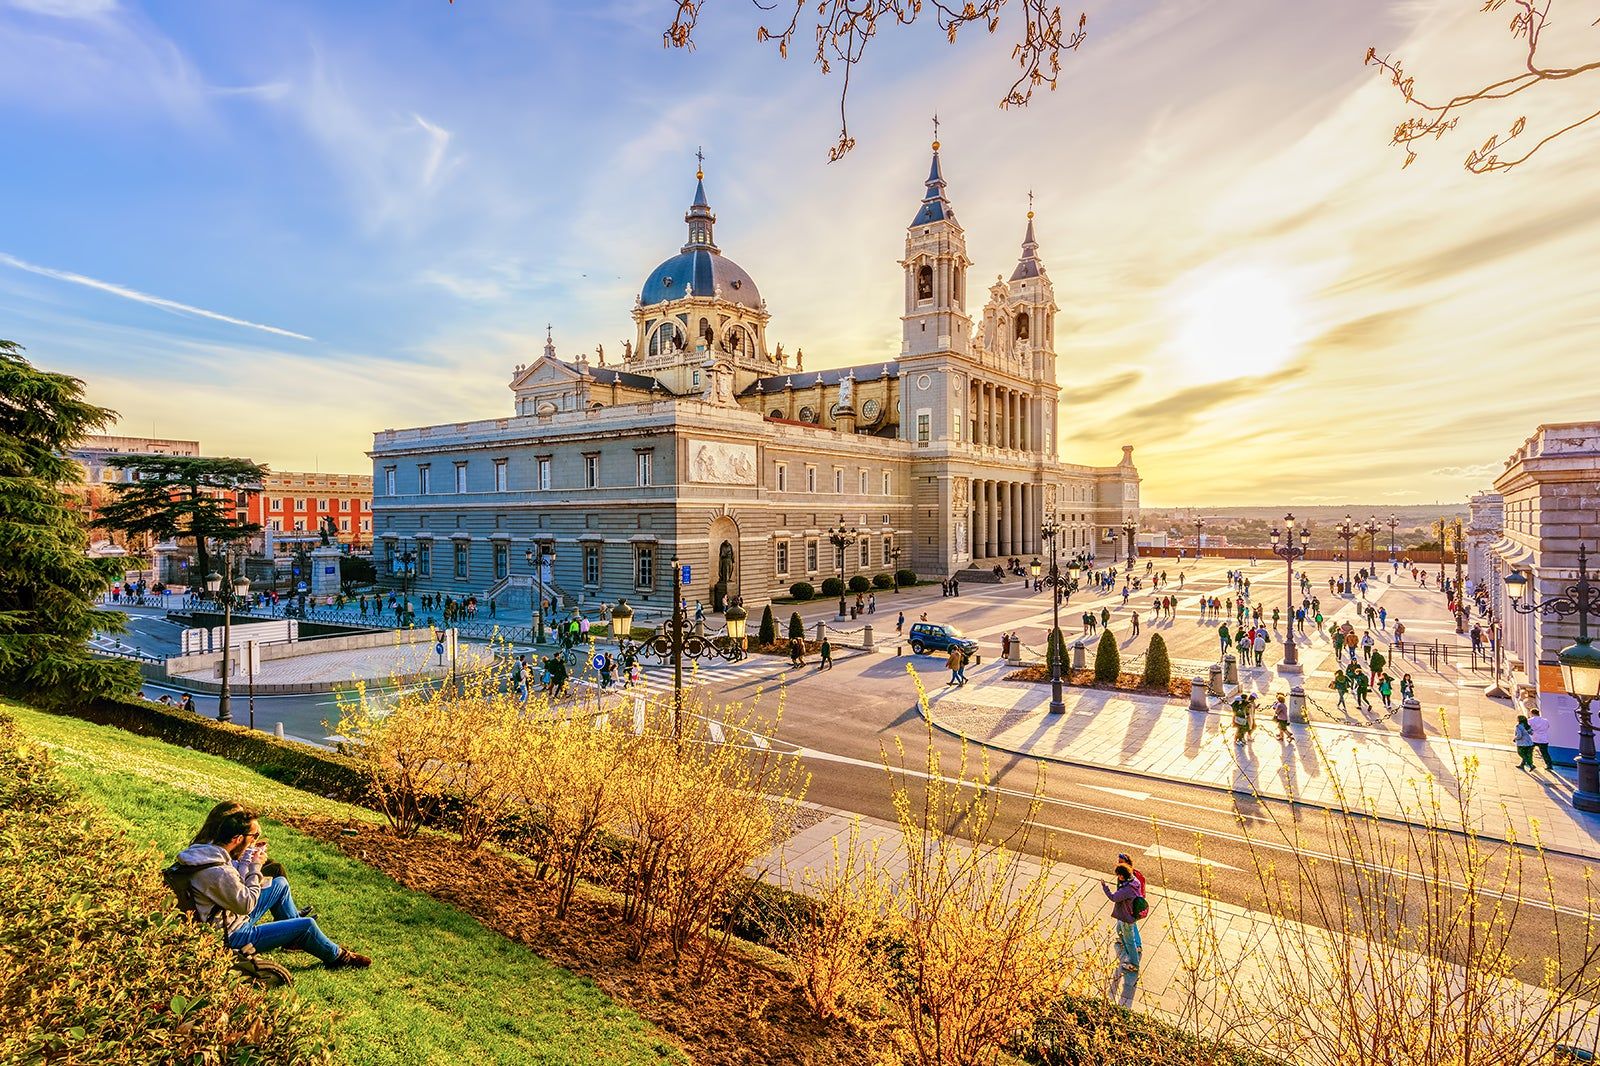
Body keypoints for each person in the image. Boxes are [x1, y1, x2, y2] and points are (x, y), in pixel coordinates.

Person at [172, 804, 369, 970]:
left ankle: (294, 939)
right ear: (237, 839)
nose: (254, 841)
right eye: (253, 837)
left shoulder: (203, 852)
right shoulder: (219, 872)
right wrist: (256, 866)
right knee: (306, 924)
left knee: (279, 885)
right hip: (231, 935)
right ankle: (338, 957)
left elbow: (234, 886)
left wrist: (249, 860)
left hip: (226, 916)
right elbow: (246, 904)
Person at [1101, 863, 1144, 973]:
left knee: (1130, 941)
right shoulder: (1134, 881)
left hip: (1126, 918)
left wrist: (1105, 887)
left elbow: (1114, 897)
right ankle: (1130, 951)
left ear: (1122, 876)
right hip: (1127, 914)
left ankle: (1134, 963)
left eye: (1118, 875)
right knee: (1119, 931)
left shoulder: (1127, 890)